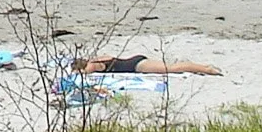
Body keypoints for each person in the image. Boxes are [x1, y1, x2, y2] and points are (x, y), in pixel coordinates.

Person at [74, 54, 221, 76]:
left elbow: (86, 72)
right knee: (171, 67)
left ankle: (206, 69)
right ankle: (204, 67)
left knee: (172, 69)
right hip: (133, 60)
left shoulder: (92, 66)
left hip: (137, 66)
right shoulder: (98, 58)